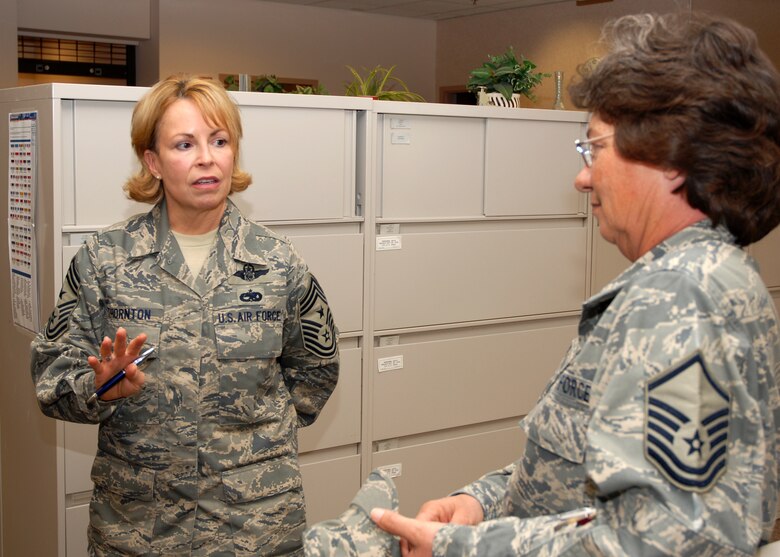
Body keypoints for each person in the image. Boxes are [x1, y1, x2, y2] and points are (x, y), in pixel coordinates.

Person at [371, 11, 780, 556]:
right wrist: (482, 503)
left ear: (671, 155)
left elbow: (666, 542)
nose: (582, 175)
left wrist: (462, 548)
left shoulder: (685, 298)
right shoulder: (686, 282)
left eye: (596, 148)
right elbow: (583, 473)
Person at [30, 74, 340, 555]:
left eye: (220, 141)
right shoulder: (105, 260)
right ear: (152, 161)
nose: (206, 158)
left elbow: (315, 374)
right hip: (139, 529)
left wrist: (249, 447)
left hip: (255, 529)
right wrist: (102, 386)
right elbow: (50, 379)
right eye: (184, 144)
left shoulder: (277, 262)